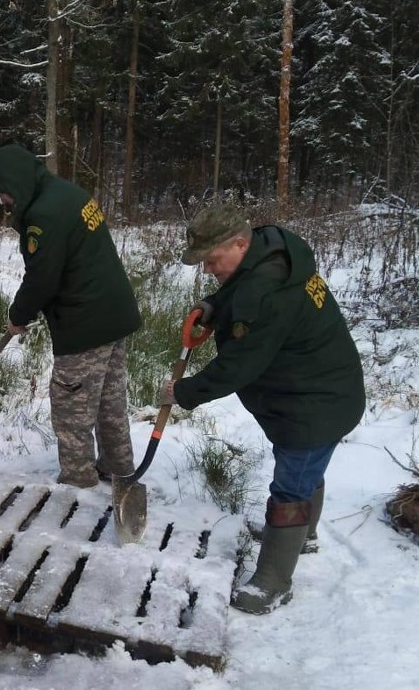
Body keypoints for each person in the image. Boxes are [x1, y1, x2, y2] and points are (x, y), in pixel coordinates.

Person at [160, 203, 365, 614]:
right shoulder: (272, 248)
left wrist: (182, 393)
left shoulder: (266, 293)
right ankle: (301, 536)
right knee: (305, 470)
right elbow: (242, 286)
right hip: (319, 388)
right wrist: (217, 304)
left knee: (291, 485)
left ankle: (273, 580)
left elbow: (236, 365)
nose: (207, 270)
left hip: (314, 402)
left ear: (239, 243)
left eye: (212, 260)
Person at [0, 144, 142, 488]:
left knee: (72, 407)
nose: (3, 201)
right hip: (115, 312)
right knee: (108, 400)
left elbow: (42, 279)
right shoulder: (67, 192)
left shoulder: (44, 215)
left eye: (2, 193)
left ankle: (78, 481)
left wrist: (18, 315)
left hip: (85, 322)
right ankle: (118, 467)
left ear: (16, 183)